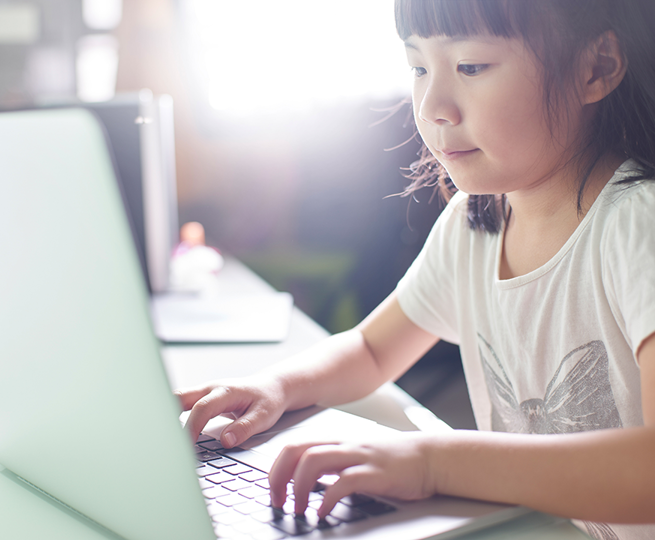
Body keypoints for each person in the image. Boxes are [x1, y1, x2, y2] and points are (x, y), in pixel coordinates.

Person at [177, 1, 655, 538]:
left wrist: (434, 462)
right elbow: (373, 348)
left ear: (597, 67)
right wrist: (276, 386)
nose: (432, 106)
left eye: (471, 67)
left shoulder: (637, 226)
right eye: (419, 68)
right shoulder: (474, 225)